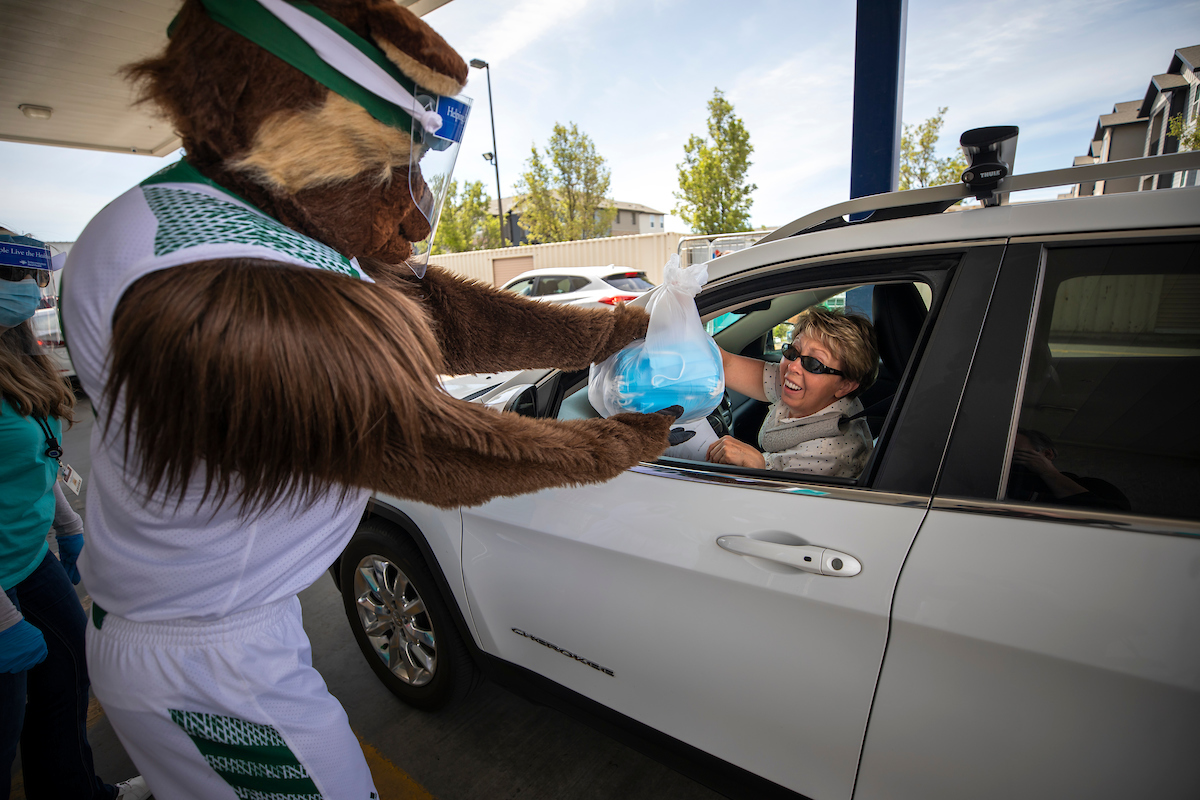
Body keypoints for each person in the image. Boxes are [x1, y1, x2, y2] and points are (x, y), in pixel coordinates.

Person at [0, 235, 148, 800]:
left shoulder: (19, 350)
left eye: (33, 280)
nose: (28, 292)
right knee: (4, 722)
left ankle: (74, 792)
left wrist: (67, 527)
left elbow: (37, 453)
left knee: (67, 677)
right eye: (13, 277)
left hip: (28, 557)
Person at [707, 307, 879, 477]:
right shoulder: (811, 389)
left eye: (814, 363)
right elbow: (725, 364)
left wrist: (759, 466)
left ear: (845, 386)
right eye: (792, 352)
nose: (793, 366)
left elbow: (782, 502)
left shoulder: (829, 458)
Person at [1007, 429, 1131, 512]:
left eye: (1018, 454)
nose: (1010, 461)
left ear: (1047, 455)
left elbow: (1115, 518)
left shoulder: (1093, 486)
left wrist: (1048, 472)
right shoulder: (1004, 484)